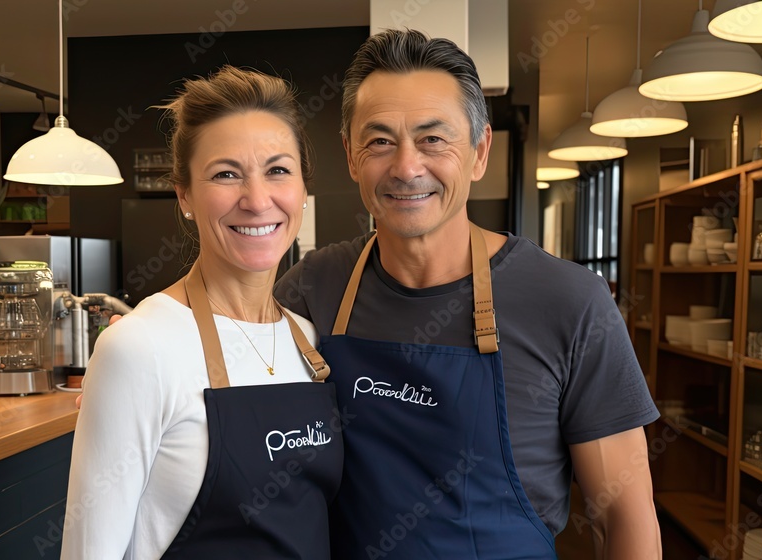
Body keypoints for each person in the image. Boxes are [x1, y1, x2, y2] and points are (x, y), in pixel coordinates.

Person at [272, 29, 661, 559]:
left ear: (479, 152)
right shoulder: (312, 287)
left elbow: (623, 515)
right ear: (351, 156)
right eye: (380, 140)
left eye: (434, 139)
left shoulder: (570, 303)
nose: (407, 167)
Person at [62, 66, 343, 560]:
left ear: (302, 190)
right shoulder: (140, 347)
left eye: (278, 170)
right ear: (185, 195)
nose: (257, 200)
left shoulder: (310, 340)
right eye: (226, 174)